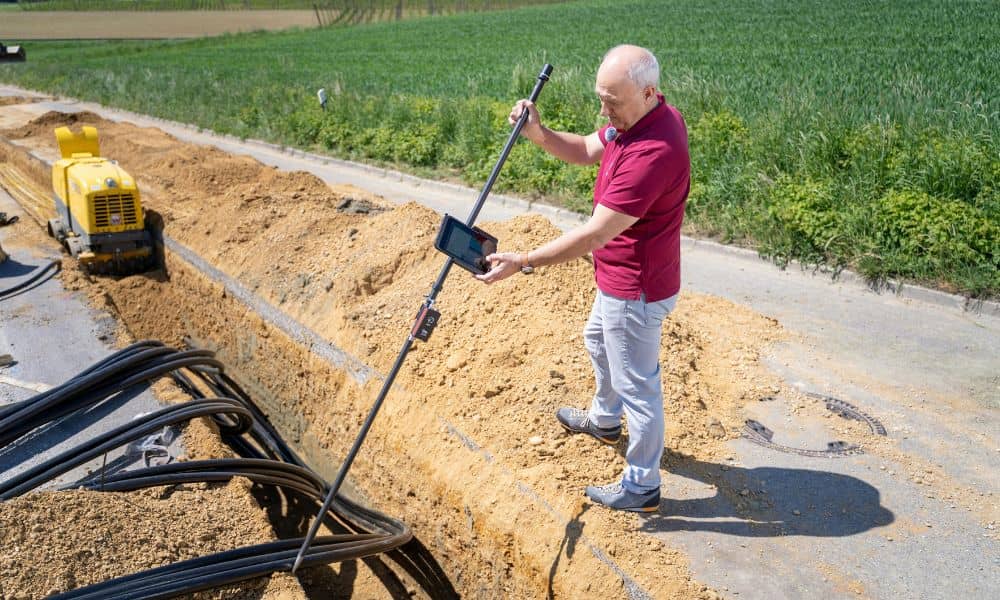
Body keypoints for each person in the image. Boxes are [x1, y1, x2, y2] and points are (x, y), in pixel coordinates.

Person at [475, 44, 690, 513]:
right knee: (597, 338)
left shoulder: (655, 149)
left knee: (639, 383)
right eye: (601, 98)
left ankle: (642, 484)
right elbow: (587, 149)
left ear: (649, 92)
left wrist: (525, 260)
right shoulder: (634, 119)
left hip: (636, 287)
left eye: (612, 101)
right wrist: (538, 133)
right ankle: (604, 419)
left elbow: (593, 234)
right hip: (618, 277)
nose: (603, 110)